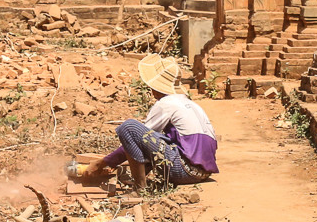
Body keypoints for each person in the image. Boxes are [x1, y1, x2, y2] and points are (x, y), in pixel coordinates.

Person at [77, 54, 219, 190]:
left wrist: (103, 163)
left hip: (185, 171)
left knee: (129, 127)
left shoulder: (165, 103)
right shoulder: (192, 105)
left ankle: (139, 188)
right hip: (203, 173)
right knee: (157, 138)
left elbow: (139, 137)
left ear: (157, 88)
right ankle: (137, 175)